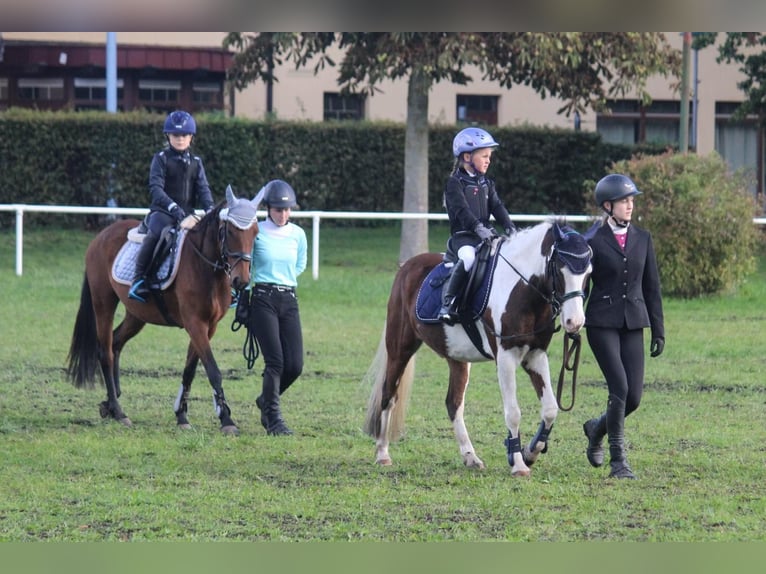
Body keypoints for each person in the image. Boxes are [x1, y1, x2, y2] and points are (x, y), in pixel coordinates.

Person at [581, 173, 665, 479]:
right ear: (607, 205)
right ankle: (619, 462)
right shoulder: (591, 241)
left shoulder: (643, 239)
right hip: (601, 323)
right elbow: (580, 286)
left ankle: (596, 428)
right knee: (619, 388)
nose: (630, 206)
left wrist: (658, 330)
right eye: (624, 201)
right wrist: (570, 318)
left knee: (634, 397)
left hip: (634, 322)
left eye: (631, 201)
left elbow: (652, 287)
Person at [129, 110, 215, 302]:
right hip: (163, 211)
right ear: (168, 136)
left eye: (184, 135)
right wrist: (173, 207)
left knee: (215, 237)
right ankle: (139, 278)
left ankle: (225, 285)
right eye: (176, 135)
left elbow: (203, 188)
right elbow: (156, 189)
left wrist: (210, 209)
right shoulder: (161, 159)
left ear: (191, 137)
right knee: (157, 234)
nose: (180, 139)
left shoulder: (196, 162)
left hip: (189, 214)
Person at [438, 127, 516, 323]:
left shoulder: (487, 183)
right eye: (484, 156)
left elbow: (497, 207)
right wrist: (479, 229)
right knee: (468, 259)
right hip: (463, 237)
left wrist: (510, 227)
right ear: (466, 157)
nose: (488, 160)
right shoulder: (454, 183)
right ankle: (448, 303)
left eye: (489, 156)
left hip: (487, 235)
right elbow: (462, 211)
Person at [248, 179, 307, 436]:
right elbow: (244, 265)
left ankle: (265, 399)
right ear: (268, 209)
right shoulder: (255, 231)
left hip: (289, 299)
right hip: (262, 298)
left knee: (295, 365)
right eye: (277, 210)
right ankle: (273, 419)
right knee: (275, 361)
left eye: (286, 210)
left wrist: (285, 282)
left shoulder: (298, 234)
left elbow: (299, 265)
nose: (282, 214)